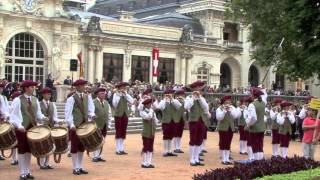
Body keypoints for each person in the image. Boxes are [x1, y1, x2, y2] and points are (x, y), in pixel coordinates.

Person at [10, 80, 48, 180]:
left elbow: (38, 113)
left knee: (29, 150)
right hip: (22, 128)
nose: (33, 88)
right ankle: (22, 172)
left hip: (33, 127)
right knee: (22, 150)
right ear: (26, 88)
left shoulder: (35, 99)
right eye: (32, 87)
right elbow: (13, 115)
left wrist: (43, 118)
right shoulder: (18, 100)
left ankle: (27, 171)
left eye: (34, 87)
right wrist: (19, 126)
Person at [65, 79, 95, 175]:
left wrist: (92, 115)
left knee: (82, 146)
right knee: (74, 146)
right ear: (77, 87)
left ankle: (80, 166)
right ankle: (75, 167)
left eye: (84, 85)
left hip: (85, 124)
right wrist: (71, 124)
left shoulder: (88, 97)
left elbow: (91, 109)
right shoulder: (71, 99)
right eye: (82, 85)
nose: (84, 87)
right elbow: (68, 113)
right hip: (75, 125)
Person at [184, 81, 210, 166]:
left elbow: (205, 107)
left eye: (200, 88)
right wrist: (193, 98)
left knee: (199, 140)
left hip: (201, 120)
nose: (199, 89)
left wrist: (199, 98)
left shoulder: (201, 98)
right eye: (197, 88)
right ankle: (192, 159)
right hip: (193, 120)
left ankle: (197, 158)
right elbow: (186, 107)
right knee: (193, 139)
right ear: (193, 89)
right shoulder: (189, 97)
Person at [38, 87, 61, 169]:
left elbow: (55, 116)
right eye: (47, 94)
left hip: (50, 127)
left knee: (50, 145)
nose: (49, 95)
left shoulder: (52, 104)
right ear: (43, 95)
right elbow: (37, 116)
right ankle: (41, 163)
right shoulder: (38, 103)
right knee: (42, 145)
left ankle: (47, 163)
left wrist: (58, 122)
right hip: (42, 127)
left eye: (50, 94)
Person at [158, 89, 182, 157]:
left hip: (173, 120)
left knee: (171, 136)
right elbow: (160, 108)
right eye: (168, 94)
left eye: (171, 94)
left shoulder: (175, 101)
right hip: (166, 120)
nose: (170, 95)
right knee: (166, 136)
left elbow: (178, 107)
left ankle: (169, 150)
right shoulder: (163, 101)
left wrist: (172, 100)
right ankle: (165, 151)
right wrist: (166, 101)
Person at [112, 82, 133, 155]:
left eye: (124, 87)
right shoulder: (116, 94)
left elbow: (131, 101)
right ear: (119, 88)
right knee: (118, 131)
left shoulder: (126, 95)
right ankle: (118, 149)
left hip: (125, 115)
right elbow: (114, 104)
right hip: (118, 115)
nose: (124, 89)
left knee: (123, 131)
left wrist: (126, 94)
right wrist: (119, 96)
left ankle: (122, 148)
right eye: (122, 87)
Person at [216, 95, 238, 165]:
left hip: (230, 127)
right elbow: (219, 118)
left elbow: (235, 116)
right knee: (223, 142)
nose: (228, 103)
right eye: (226, 102)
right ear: (223, 102)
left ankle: (227, 158)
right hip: (222, 127)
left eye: (229, 102)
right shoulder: (219, 108)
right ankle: (223, 159)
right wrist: (224, 111)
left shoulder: (232, 108)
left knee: (228, 143)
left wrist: (230, 110)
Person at [92, 87, 112, 162]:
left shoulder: (106, 103)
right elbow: (90, 113)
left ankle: (99, 155)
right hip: (96, 125)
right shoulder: (93, 102)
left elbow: (109, 114)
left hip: (104, 125)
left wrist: (109, 124)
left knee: (102, 140)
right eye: (101, 93)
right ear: (97, 94)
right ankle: (95, 156)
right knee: (96, 141)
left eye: (104, 93)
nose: (103, 95)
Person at [246, 87, 267, 160]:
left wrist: (248, 124)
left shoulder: (252, 105)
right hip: (262, 127)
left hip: (255, 128)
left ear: (253, 96)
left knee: (254, 144)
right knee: (260, 145)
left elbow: (253, 118)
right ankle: (260, 160)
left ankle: (256, 160)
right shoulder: (263, 103)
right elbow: (265, 97)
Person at [139, 97, 159, 168]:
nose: (150, 105)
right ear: (146, 105)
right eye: (149, 104)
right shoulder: (142, 112)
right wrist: (151, 112)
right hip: (146, 132)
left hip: (152, 131)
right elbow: (148, 117)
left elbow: (156, 121)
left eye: (150, 103)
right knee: (146, 147)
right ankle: (144, 162)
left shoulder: (152, 111)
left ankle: (149, 162)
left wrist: (155, 122)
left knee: (150, 148)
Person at [9, 91, 22, 165]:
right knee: (14, 143)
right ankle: (14, 159)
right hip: (16, 125)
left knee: (17, 143)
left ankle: (16, 159)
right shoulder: (16, 101)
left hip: (19, 124)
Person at [172, 89, 186, 153]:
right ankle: (175, 148)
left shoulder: (184, 101)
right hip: (175, 119)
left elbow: (185, 109)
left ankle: (179, 147)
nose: (182, 96)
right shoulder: (174, 101)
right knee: (175, 133)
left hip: (181, 118)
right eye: (181, 94)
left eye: (183, 95)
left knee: (180, 134)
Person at [0, 82, 11, 161]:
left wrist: (7, 116)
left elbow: (4, 108)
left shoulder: (3, 97)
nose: (0, 89)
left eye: (1, 88)